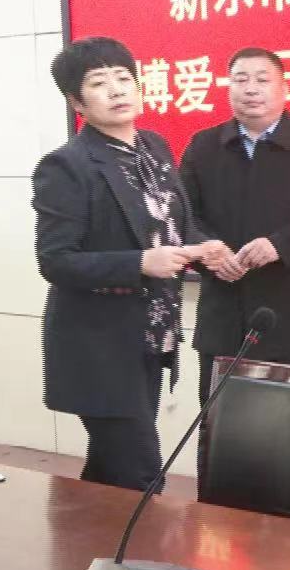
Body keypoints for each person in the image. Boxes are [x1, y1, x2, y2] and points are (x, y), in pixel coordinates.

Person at [35, 36, 207, 491]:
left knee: (110, 477)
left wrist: (206, 248)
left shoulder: (154, 148)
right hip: (99, 347)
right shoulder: (66, 166)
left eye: (124, 78)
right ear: (76, 102)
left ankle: (79, 538)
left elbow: (170, 226)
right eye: (98, 83)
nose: (116, 90)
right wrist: (139, 263)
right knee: (140, 477)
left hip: (150, 340)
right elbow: (55, 261)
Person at [179, 48, 290, 471]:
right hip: (222, 315)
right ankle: (215, 512)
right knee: (219, 433)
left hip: (286, 316)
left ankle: (283, 515)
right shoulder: (204, 146)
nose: (250, 89)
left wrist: (281, 245)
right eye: (240, 79)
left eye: (262, 79)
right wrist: (208, 251)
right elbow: (181, 215)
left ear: (284, 87)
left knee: (285, 438)